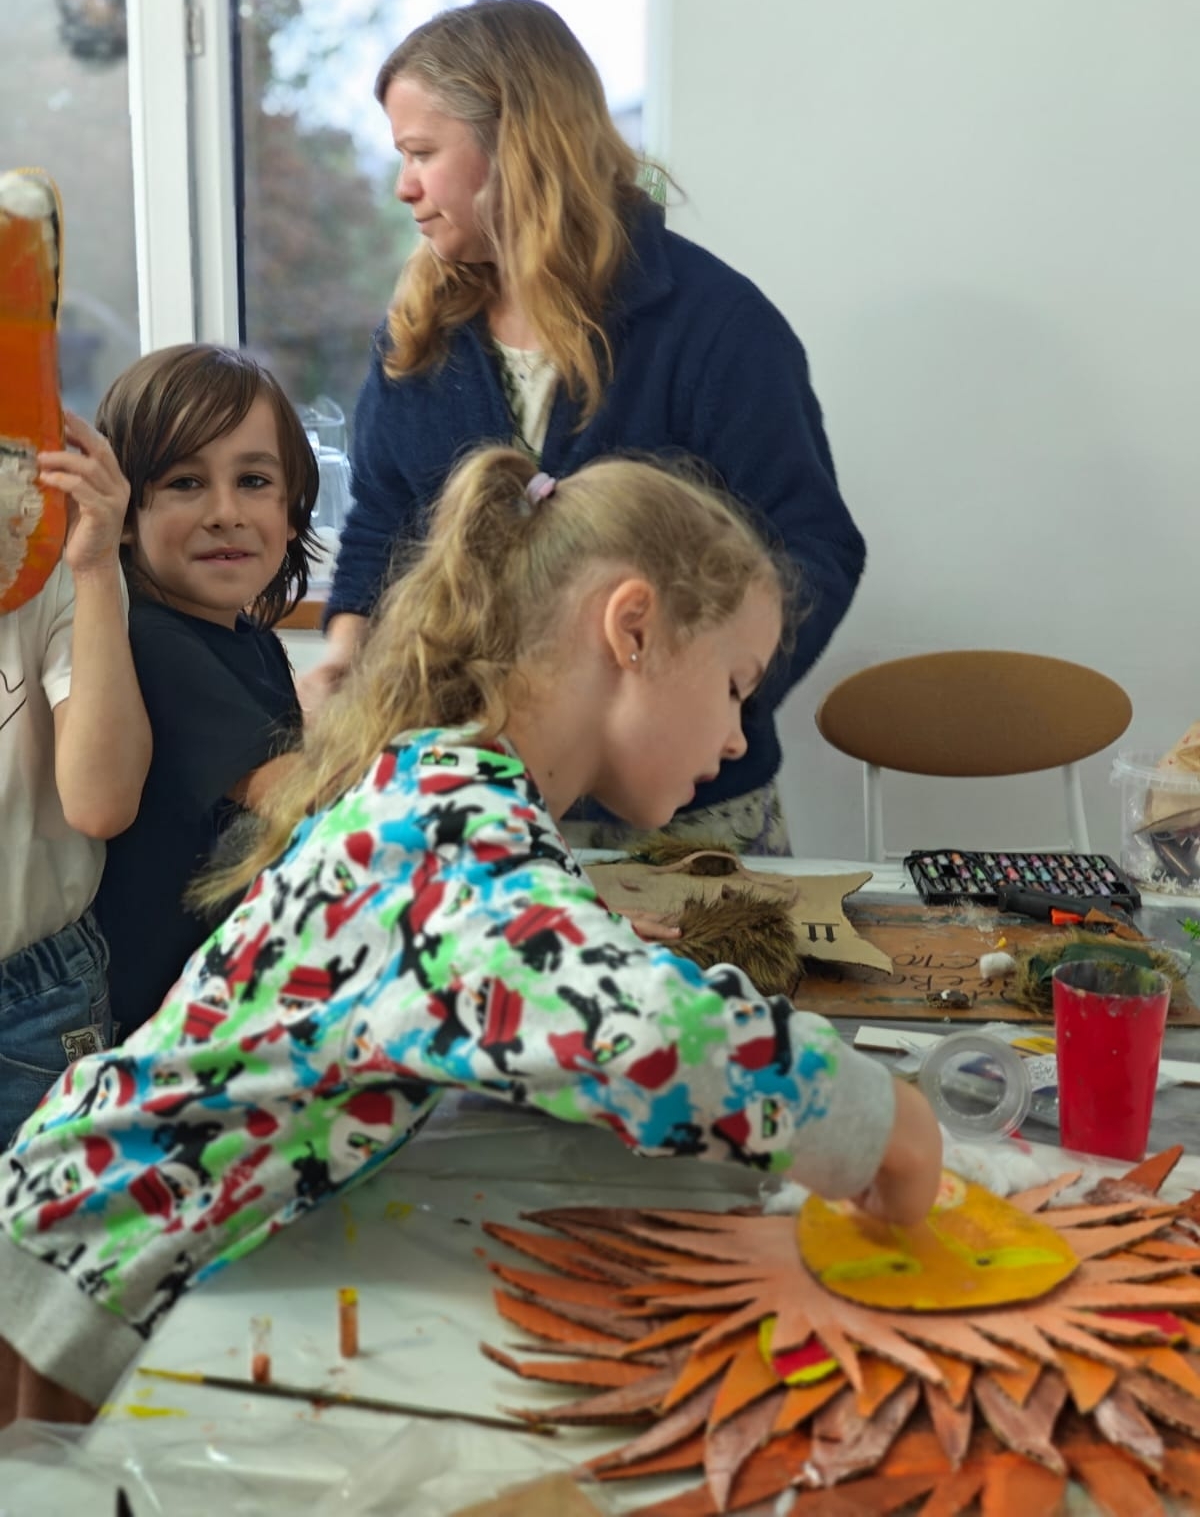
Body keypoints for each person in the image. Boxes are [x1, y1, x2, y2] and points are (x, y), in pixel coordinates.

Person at [0, 446, 940, 1427]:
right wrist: (880, 1122)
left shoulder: (443, 784)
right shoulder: (456, 831)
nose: (741, 736)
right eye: (736, 685)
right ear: (632, 629)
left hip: (75, 1246)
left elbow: (552, 977)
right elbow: (648, 1036)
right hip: (64, 1291)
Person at [303, 0, 866, 857]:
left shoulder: (718, 328)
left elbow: (813, 549)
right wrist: (345, 659)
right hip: (478, 808)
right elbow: (382, 522)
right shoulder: (417, 336)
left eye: (421, 153)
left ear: (517, 145)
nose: (403, 186)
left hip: (689, 822)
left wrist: (700, 709)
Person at [92, 343, 320, 1038]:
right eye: (186, 482)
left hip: (219, 1010)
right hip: (157, 1032)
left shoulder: (250, 639)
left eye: (253, 480)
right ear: (124, 515)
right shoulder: (151, 643)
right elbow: (308, 798)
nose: (225, 512)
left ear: (292, 509)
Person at [0, 411, 151, 1149]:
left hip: (28, 1003)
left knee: (49, 1221)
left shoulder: (52, 559)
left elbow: (102, 803)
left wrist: (93, 569)